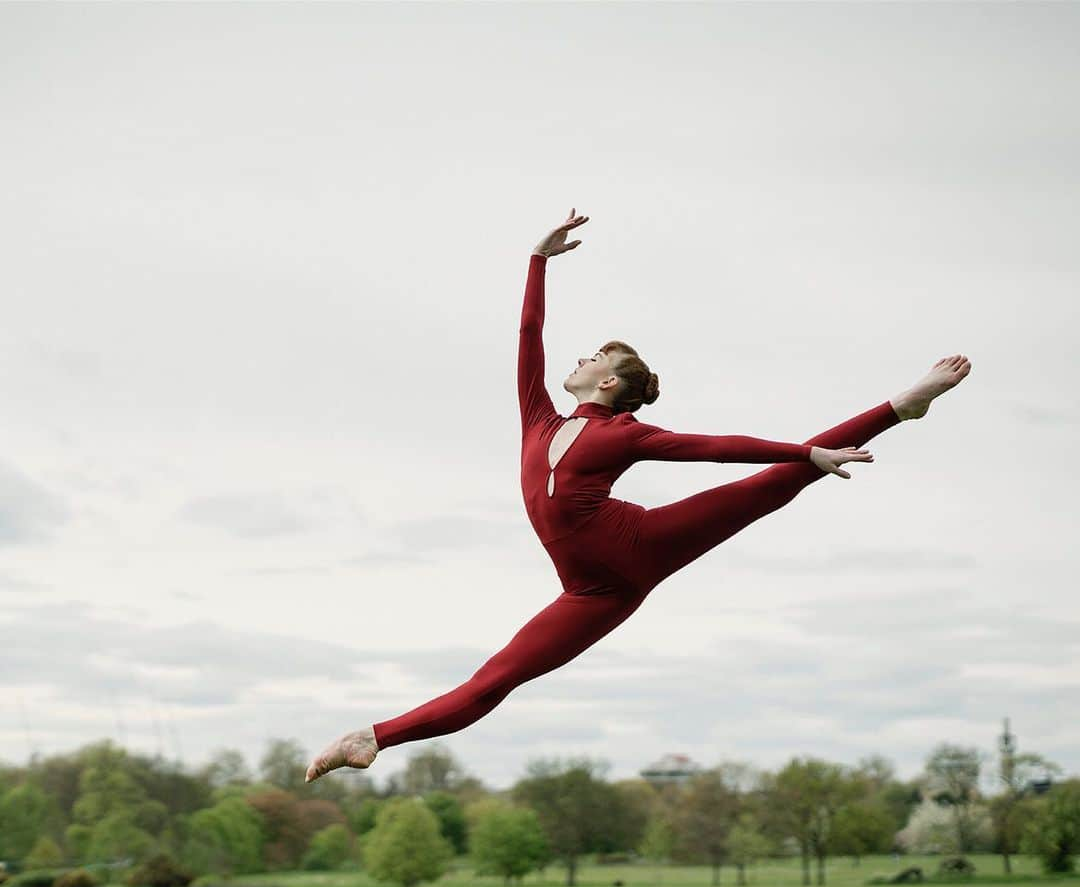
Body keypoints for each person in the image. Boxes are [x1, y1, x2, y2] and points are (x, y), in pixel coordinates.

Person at [305, 208, 971, 782]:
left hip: (643, 543)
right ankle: (374, 738)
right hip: (594, 592)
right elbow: (527, 339)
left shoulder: (623, 434)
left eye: (595, 355)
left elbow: (714, 447)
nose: (580, 357)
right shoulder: (539, 417)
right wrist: (538, 260)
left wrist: (805, 453)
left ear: (610, 384)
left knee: (768, 487)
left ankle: (899, 405)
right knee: (497, 677)